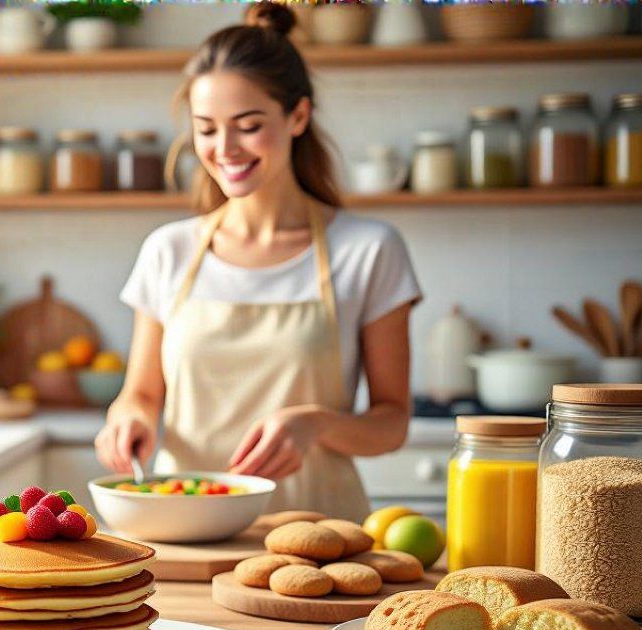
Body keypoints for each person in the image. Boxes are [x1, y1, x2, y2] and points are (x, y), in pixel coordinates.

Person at [95, 3, 422, 522]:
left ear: (298, 116)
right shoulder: (169, 250)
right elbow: (139, 394)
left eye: (247, 126)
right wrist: (128, 418)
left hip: (320, 539)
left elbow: (392, 423)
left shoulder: (369, 250)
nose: (224, 148)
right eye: (206, 129)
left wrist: (317, 424)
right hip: (186, 534)